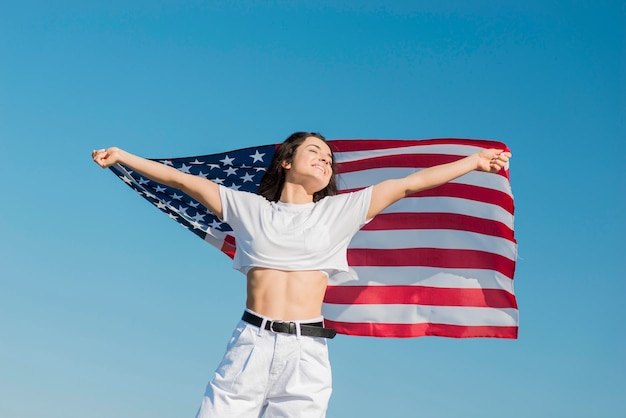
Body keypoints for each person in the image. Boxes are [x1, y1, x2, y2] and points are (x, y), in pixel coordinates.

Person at [91, 132, 511, 417]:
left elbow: (406, 184)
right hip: (252, 344)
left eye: (329, 159)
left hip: (308, 352)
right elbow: (182, 181)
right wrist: (122, 157)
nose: (325, 160)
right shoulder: (248, 208)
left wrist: (472, 162)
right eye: (315, 152)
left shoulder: (339, 211)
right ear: (287, 162)